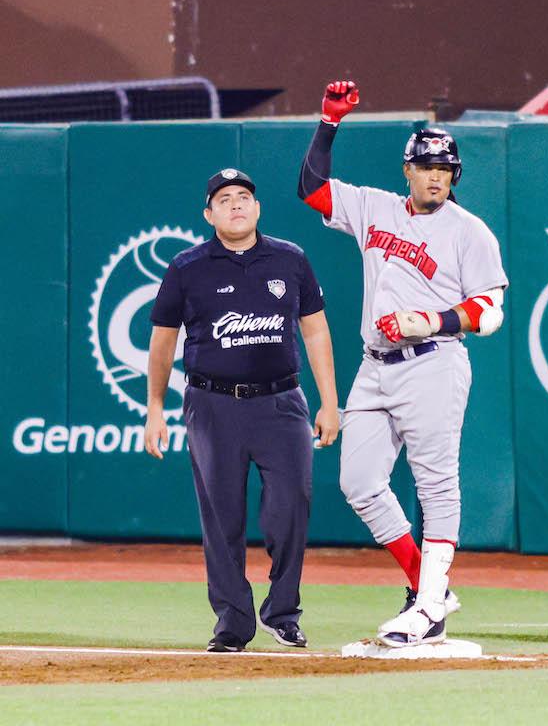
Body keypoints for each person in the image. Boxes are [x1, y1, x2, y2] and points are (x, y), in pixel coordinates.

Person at [296, 81, 509, 648]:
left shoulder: (470, 232)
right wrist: (328, 123)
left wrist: (431, 321)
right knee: (359, 481)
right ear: (407, 170)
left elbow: (490, 312)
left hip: (434, 363)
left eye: (446, 168)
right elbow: (311, 189)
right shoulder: (375, 207)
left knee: (436, 485)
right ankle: (427, 587)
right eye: (427, 166)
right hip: (375, 366)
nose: (437, 175)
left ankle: (429, 607)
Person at [144, 168, 340, 653]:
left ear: (258, 209)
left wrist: (330, 401)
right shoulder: (187, 267)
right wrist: (154, 407)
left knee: (291, 504)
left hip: (282, 402)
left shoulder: (289, 259)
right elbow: (162, 342)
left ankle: (282, 611)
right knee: (221, 517)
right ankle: (233, 624)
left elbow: (314, 330)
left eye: (244, 197)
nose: (236, 204)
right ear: (208, 214)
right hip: (212, 405)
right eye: (225, 198)